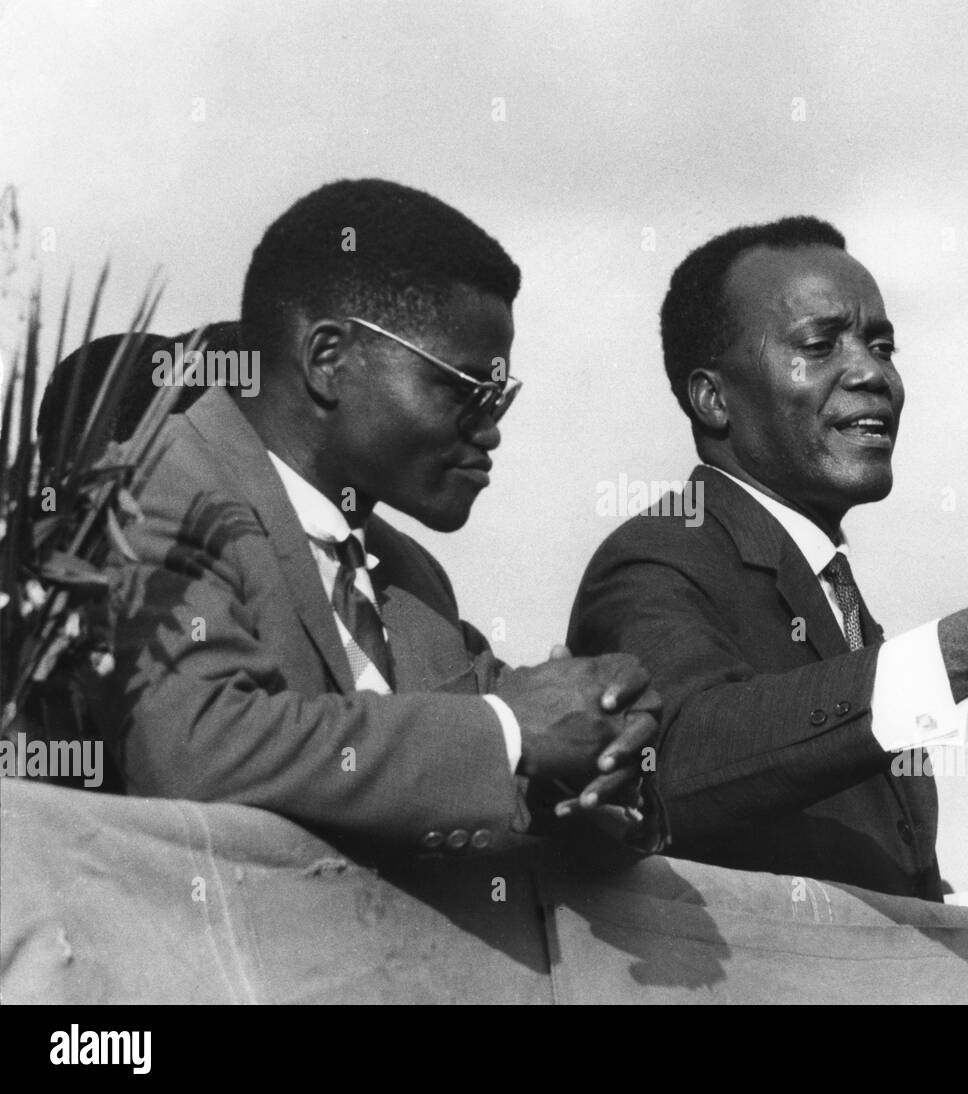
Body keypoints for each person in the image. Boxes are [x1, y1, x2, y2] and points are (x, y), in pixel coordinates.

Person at [568, 216, 968, 931]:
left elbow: (837, 882)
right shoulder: (658, 560)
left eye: (881, 344)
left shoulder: (831, 595)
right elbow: (675, 769)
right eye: (819, 344)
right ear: (714, 398)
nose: (873, 373)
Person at [106, 178, 661, 865]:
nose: (490, 433)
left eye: (501, 398)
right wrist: (509, 732)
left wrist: (590, 761)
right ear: (328, 360)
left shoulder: (407, 573)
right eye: (465, 390)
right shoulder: (152, 491)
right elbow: (194, 750)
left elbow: (447, 769)